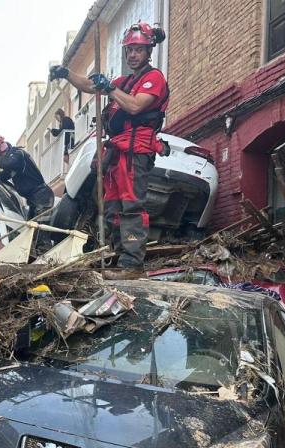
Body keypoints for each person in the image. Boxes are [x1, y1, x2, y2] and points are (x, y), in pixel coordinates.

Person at [49, 22, 169, 276]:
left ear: (149, 51)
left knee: (131, 207)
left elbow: (136, 107)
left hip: (136, 151)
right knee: (113, 208)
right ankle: (119, 258)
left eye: (138, 49)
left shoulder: (153, 79)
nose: (133, 55)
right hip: (116, 153)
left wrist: (110, 88)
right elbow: (89, 85)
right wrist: (66, 73)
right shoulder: (124, 81)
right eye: (129, 50)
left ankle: (133, 265)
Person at [0, 135, 54, 220]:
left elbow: (8, 163)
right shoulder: (13, 165)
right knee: (30, 230)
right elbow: (2, 176)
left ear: (0, 147)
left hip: (42, 198)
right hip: (34, 200)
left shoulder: (18, 154)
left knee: (40, 230)